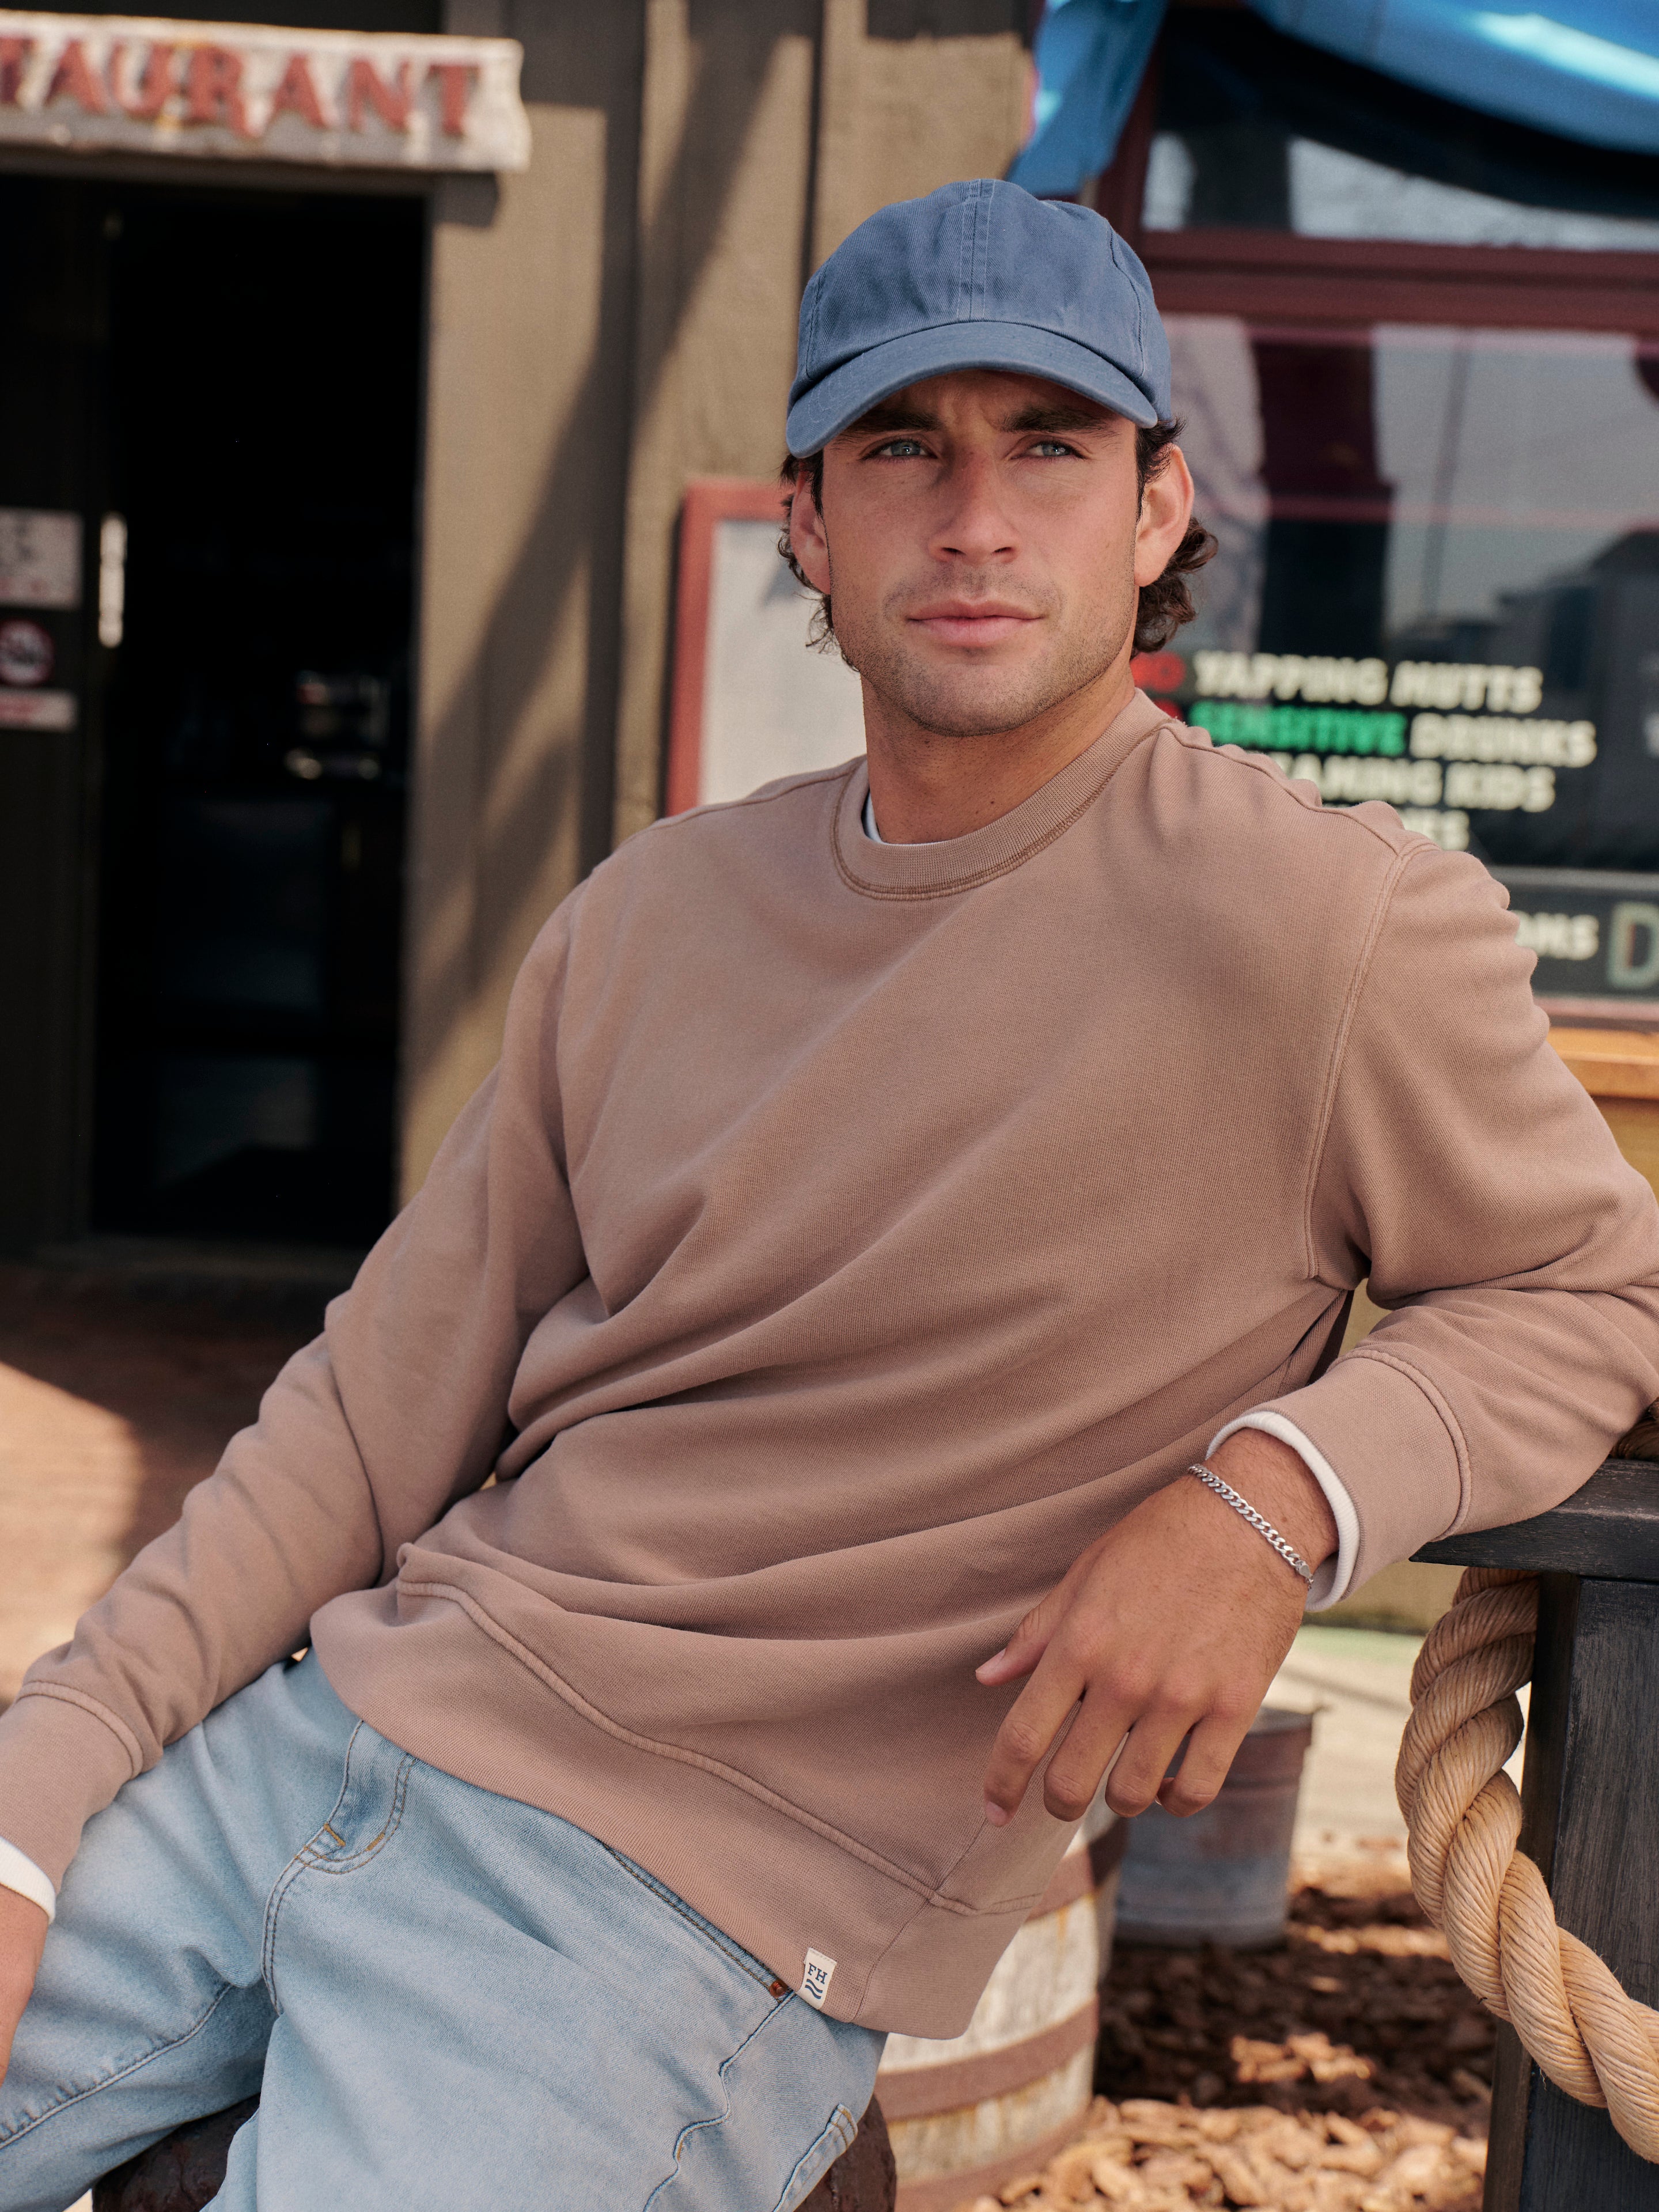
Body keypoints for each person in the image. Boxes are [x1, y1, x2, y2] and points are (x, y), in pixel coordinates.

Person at [2, 178, 1656, 2212]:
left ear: (1154, 513)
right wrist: (41, 1785)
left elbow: (1599, 1292)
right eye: (904, 448)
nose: (975, 516)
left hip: (665, 1908)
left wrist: (1269, 1500)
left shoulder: (1337, 924)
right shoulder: (649, 916)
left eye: (1049, 445)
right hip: (321, 1737)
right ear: (810, 518)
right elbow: (364, 1420)